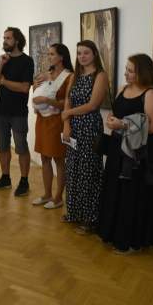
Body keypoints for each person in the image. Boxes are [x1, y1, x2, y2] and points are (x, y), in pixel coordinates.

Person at [98, 54, 153, 254]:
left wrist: (122, 124)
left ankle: (131, 241)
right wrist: (111, 120)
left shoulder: (150, 94)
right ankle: (114, 234)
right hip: (118, 147)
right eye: (126, 69)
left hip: (138, 152)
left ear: (142, 72)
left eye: (130, 71)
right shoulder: (122, 89)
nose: (126, 73)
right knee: (116, 190)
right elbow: (117, 114)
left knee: (133, 194)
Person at [62, 40, 108, 233]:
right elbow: (67, 100)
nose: (82, 56)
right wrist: (66, 124)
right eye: (79, 53)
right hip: (73, 127)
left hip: (90, 127)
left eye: (86, 53)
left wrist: (68, 113)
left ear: (94, 54)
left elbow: (93, 105)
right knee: (73, 169)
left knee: (88, 171)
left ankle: (90, 218)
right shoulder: (75, 76)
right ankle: (74, 212)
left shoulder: (100, 75)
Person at [0, 27, 35, 196]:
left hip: (18, 112)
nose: (5, 41)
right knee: (2, 147)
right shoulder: (0, 60)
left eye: (8, 38)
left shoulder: (27, 61)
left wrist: (5, 82)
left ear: (17, 40)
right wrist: (1, 64)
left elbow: (24, 88)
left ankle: (24, 180)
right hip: (1, 111)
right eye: (4, 38)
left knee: (21, 147)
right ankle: (5, 178)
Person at [31, 43, 73, 209]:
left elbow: (66, 104)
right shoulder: (46, 74)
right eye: (48, 54)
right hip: (42, 120)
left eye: (52, 54)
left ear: (61, 57)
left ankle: (58, 197)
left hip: (57, 121)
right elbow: (37, 94)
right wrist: (35, 89)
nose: (49, 57)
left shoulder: (69, 77)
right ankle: (47, 194)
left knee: (59, 159)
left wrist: (47, 100)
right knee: (44, 158)